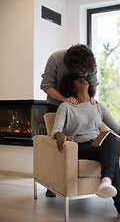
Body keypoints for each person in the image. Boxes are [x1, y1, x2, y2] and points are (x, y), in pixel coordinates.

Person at [51, 75, 120, 222]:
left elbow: (117, 128)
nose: (83, 79)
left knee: (110, 137)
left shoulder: (98, 106)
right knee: (113, 159)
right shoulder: (66, 106)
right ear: (72, 87)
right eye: (78, 79)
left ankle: (106, 182)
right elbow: (55, 130)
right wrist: (60, 135)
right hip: (78, 147)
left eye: (84, 77)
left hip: (97, 145)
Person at [41, 44, 99, 197]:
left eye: (83, 71)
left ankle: (77, 178)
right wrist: (65, 100)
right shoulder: (56, 59)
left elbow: (94, 85)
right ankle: (53, 183)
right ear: (70, 64)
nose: (81, 73)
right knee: (57, 143)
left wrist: (90, 100)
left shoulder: (90, 65)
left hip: (80, 108)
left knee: (77, 141)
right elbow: (46, 85)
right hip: (56, 104)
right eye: (78, 70)